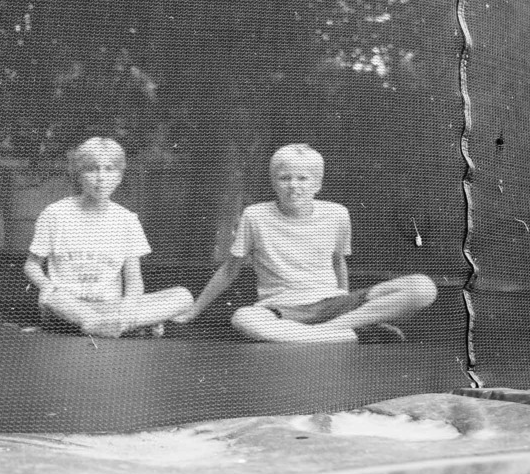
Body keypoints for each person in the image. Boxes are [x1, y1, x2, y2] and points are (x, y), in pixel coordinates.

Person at [175, 143, 438, 343]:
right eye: (285, 178)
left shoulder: (337, 213)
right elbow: (229, 270)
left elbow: (338, 262)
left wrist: (344, 302)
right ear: (273, 183)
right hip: (282, 308)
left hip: (333, 304)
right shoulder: (255, 215)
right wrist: (193, 312)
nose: (293, 186)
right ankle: (349, 333)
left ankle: (327, 331)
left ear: (318, 184)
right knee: (243, 319)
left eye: (303, 178)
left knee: (423, 288)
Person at [23, 137, 193, 338]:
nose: (101, 177)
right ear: (79, 174)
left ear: (119, 176)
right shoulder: (55, 214)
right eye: (92, 169)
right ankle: (119, 324)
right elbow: (31, 265)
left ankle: (107, 325)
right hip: (69, 305)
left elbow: (134, 282)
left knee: (183, 296)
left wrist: (129, 307)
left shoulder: (127, 220)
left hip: (111, 307)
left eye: (109, 169)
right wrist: (46, 285)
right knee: (54, 297)